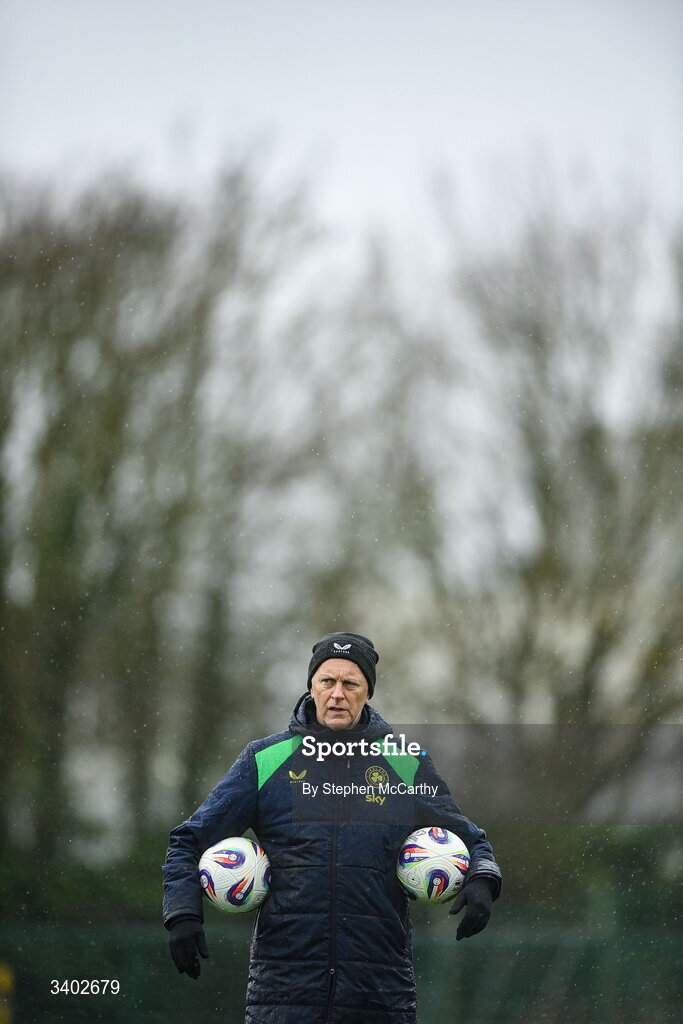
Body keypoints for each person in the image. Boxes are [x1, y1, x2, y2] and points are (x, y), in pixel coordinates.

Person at [163, 631, 502, 1024]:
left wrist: (482, 878)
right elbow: (188, 840)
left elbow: (468, 836)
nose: (337, 693)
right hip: (285, 994)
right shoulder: (266, 759)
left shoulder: (402, 761)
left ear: (367, 692)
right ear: (312, 686)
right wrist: (182, 913)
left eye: (350, 683)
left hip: (379, 993)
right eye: (327, 681)